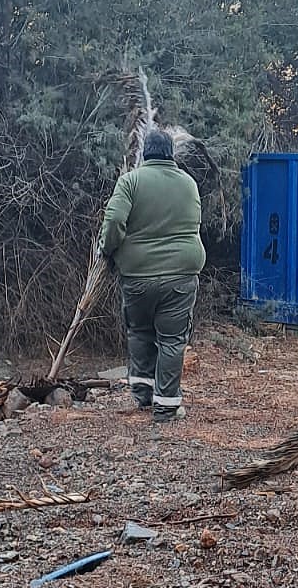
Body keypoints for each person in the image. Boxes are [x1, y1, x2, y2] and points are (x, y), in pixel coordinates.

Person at [98, 129, 205, 422]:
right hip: (181, 275)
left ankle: (143, 395)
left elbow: (115, 221)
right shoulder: (189, 184)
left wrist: (108, 251)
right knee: (172, 340)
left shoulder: (130, 182)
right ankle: (167, 407)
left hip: (137, 276)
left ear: (146, 153)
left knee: (140, 332)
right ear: (171, 153)